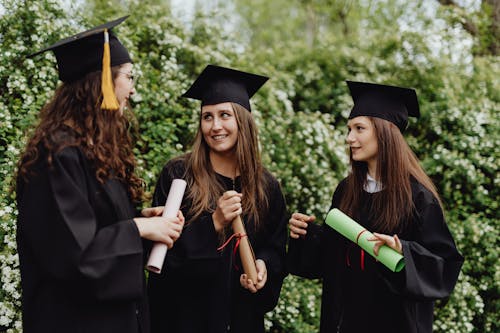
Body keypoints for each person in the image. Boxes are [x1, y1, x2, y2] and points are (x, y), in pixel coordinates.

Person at [16, 16, 184, 333]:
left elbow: (101, 232)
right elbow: (73, 256)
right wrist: (138, 227)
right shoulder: (56, 157)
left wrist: (147, 225)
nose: (132, 90)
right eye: (129, 78)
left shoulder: (95, 151)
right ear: (102, 82)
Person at [287, 81, 464, 333]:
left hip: (395, 323)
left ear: (385, 132)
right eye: (349, 129)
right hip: (344, 322)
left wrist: (404, 250)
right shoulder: (346, 190)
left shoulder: (418, 198)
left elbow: (444, 265)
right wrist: (305, 235)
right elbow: (330, 259)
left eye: (359, 128)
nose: (350, 138)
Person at [147, 65, 288, 333]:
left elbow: (276, 246)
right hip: (185, 320)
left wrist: (263, 266)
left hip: (242, 320)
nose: (215, 126)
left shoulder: (266, 186)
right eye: (207, 117)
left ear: (243, 122)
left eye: (225, 115)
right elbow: (161, 257)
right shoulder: (179, 175)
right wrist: (214, 222)